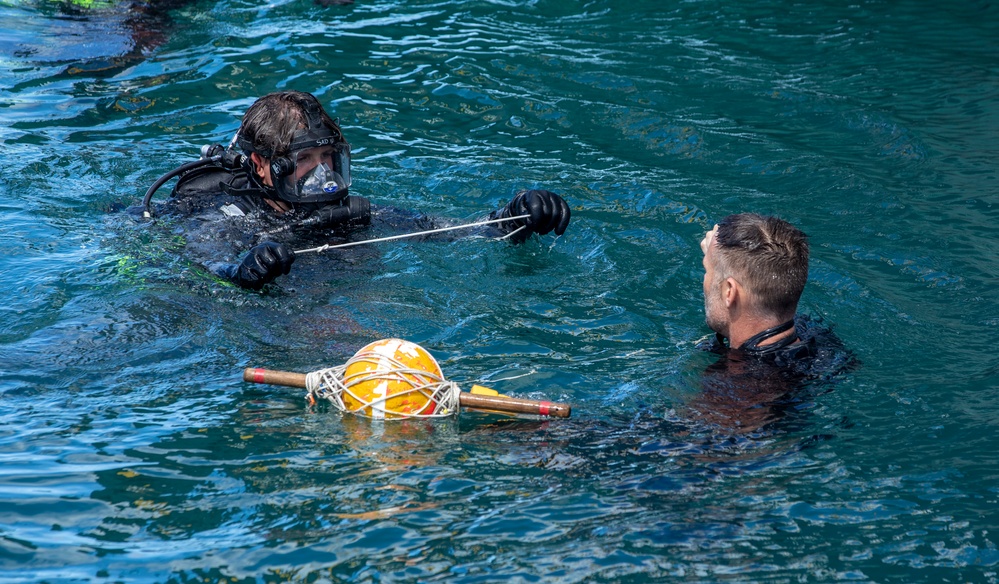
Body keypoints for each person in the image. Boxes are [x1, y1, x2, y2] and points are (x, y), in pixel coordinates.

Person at [139, 90, 570, 290]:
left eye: (328, 159)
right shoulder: (227, 215)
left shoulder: (347, 210)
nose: (322, 174)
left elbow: (442, 231)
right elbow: (206, 261)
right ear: (262, 166)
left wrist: (513, 219)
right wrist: (241, 273)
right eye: (305, 162)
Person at [692, 212, 855, 432]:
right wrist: (716, 262)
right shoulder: (818, 340)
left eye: (706, 273)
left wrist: (715, 264)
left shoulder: (737, 395)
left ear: (729, 291)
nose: (705, 282)